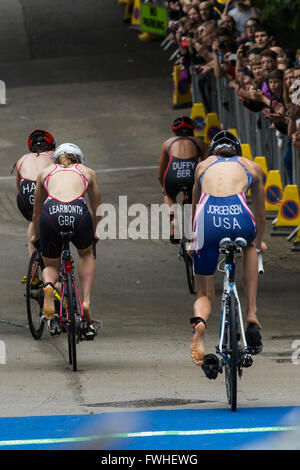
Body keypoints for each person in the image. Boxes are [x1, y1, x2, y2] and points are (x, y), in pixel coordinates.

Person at [189, 130, 266, 377]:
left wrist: (193, 240)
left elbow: (195, 209)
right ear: (238, 151)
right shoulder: (251, 167)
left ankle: (200, 325)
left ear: (213, 151)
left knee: (204, 293)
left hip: (208, 222)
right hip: (240, 218)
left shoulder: (202, 166)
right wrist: (259, 240)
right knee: (251, 245)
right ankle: (252, 313)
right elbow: (262, 215)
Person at [31, 143, 102, 338]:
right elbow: (97, 208)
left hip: (51, 213)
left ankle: (47, 287)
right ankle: (85, 301)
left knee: (52, 266)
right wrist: (94, 231)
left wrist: (37, 235)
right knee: (86, 254)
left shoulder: (46, 172)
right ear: (79, 159)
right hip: (79, 213)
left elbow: (37, 212)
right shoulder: (87, 172)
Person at [158, 116, 207, 243]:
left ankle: (174, 220)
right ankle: (197, 223)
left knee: (169, 195)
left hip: (172, 176)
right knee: (198, 198)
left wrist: (163, 187)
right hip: (192, 176)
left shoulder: (167, 143)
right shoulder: (199, 142)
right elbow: (207, 166)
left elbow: (161, 172)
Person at [15, 129, 56, 259]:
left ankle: (33, 265)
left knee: (33, 220)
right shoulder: (54, 155)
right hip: (43, 187)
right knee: (53, 220)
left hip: (25, 192)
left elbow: (18, 184)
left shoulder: (22, 159)